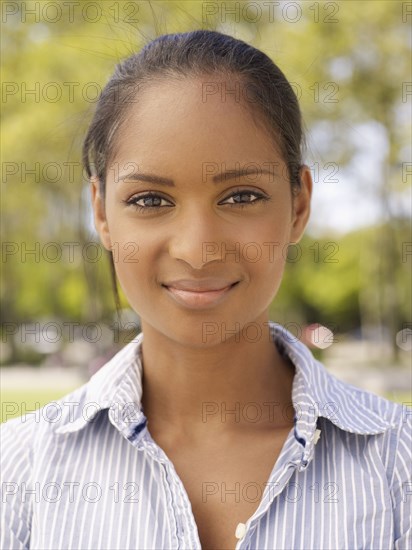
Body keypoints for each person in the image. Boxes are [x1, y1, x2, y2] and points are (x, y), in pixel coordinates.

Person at [1, 29, 411, 550]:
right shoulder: (19, 475)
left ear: (299, 205)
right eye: (151, 200)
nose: (197, 250)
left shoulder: (399, 466)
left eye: (241, 196)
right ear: (101, 212)